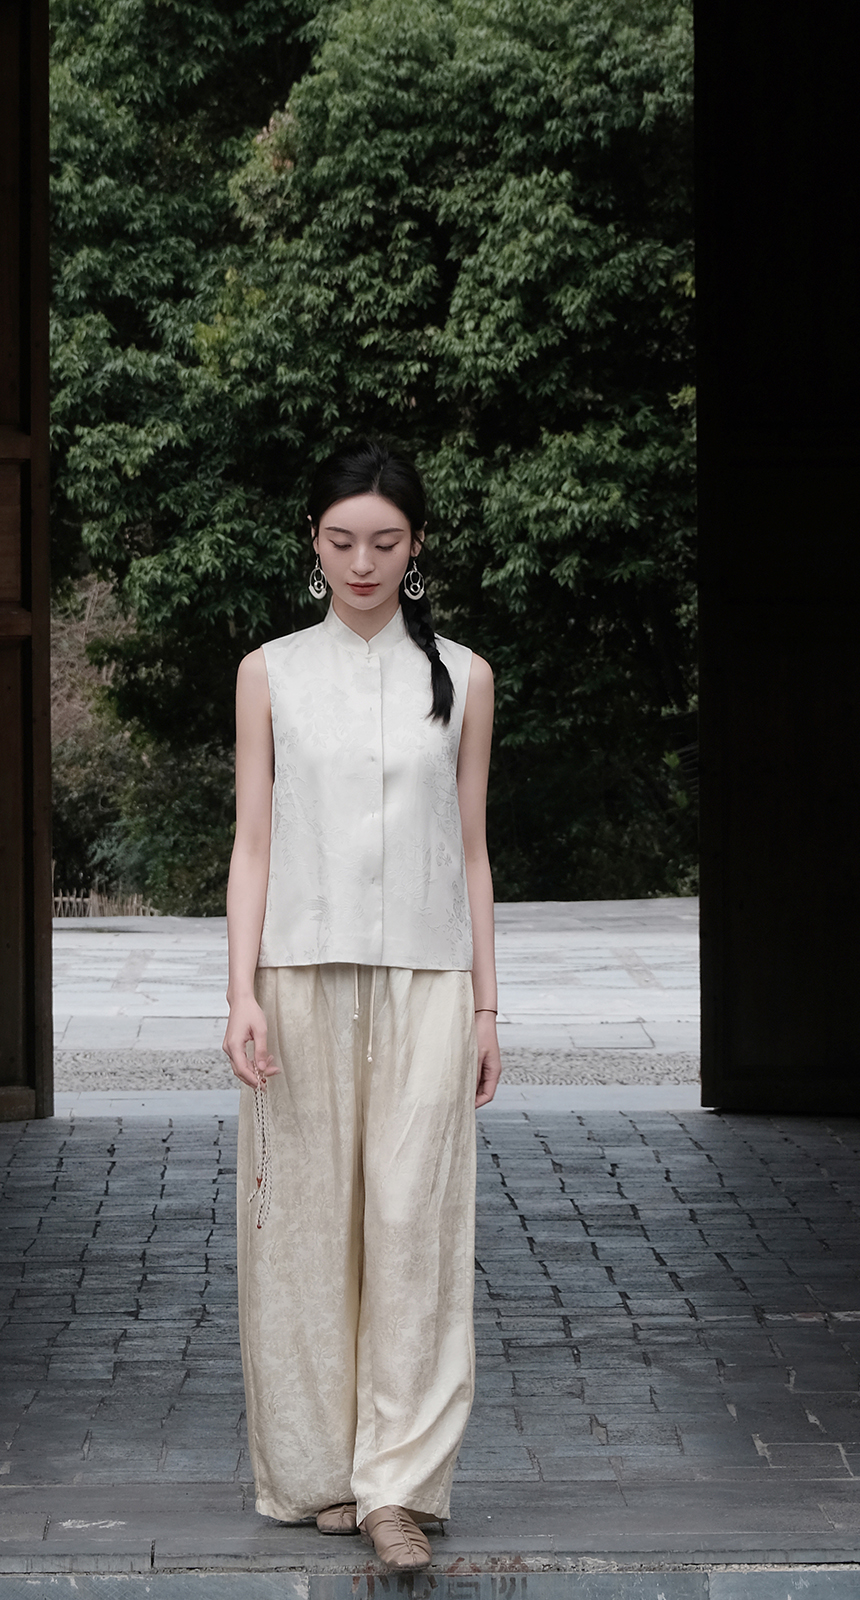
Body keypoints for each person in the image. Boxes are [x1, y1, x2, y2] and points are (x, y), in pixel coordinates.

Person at [221, 439, 501, 1572]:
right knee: (301, 1228)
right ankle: (320, 1472)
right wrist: (238, 992)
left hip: (430, 981)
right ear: (315, 542)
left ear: (416, 545)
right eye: (342, 541)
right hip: (298, 974)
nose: (363, 562)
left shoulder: (466, 677)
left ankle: (398, 1487)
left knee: (412, 1221)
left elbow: (472, 850)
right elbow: (252, 841)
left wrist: (488, 1008)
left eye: (385, 541)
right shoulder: (271, 672)